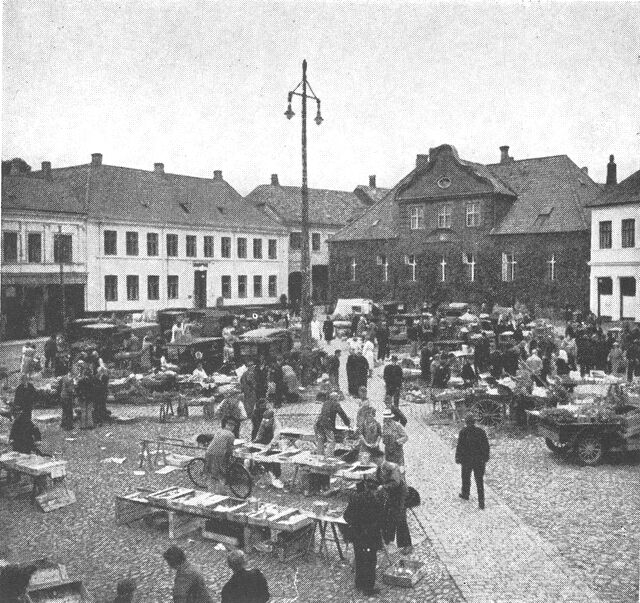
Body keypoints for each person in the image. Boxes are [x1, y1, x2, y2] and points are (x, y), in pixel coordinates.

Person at [343, 478, 385, 596]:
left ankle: (359, 583)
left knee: (359, 558)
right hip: (370, 537)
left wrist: (355, 525)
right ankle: (368, 588)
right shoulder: (377, 502)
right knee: (370, 561)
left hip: (357, 536)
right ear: (375, 489)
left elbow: (346, 516)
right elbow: (381, 520)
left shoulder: (356, 498)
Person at [369, 447, 412, 554]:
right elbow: (379, 480)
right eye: (374, 460)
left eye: (376, 459)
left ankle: (407, 545)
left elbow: (395, 482)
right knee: (388, 517)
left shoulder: (392, 467)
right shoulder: (380, 468)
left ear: (381, 458)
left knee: (400, 519)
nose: (375, 462)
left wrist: (383, 487)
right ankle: (388, 541)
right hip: (391, 496)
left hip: (400, 496)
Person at [455, 414, 490, 510]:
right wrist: (485, 457)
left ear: (466, 422)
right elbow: (486, 446)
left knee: (466, 478)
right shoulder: (481, 432)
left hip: (467, 460)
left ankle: (465, 494)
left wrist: (458, 458)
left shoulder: (463, 432)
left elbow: (460, 447)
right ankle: (481, 502)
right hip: (479, 461)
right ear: (474, 422)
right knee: (479, 481)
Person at [204, 420, 237, 494]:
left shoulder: (219, 431)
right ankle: (220, 491)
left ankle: (210, 490)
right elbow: (229, 448)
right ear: (232, 427)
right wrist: (233, 454)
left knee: (210, 471)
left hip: (209, 452)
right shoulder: (231, 435)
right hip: (218, 454)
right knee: (220, 473)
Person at [253, 409, 284, 488]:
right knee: (263, 459)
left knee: (275, 460)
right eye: (265, 420)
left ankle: (276, 476)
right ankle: (264, 475)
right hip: (265, 441)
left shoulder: (277, 424)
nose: (266, 422)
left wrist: (270, 445)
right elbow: (260, 433)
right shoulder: (264, 421)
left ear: (272, 418)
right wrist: (255, 441)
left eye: (268, 420)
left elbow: (276, 437)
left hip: (275, 444)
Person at [315, 391, 351, 457]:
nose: (338, 399)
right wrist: (348, 423)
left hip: (319, 423)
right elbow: (342, 414)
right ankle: (329, 457)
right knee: (331, 441)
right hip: (327, 424)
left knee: (321, 439)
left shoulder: (325, 403)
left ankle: (319, 456)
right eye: (338, 397)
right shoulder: (336, 404)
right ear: (336, 398)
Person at [58, 364, 75, 430]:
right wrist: (73, 390)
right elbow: (70, 389)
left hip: (63, 395)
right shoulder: (70, 379)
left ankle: (63, 423)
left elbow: (60, 386)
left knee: (64, 410)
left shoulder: (64, 377)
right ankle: (68, 425)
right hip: (67, 396)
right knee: (69, 411)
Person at [94, 356, 110, 425]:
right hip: (100, 392)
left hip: (101, 392)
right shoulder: (102, 376)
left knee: (100, 405)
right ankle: (99, 418)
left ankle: (100, 419)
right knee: (99, 405)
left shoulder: (103, 376)